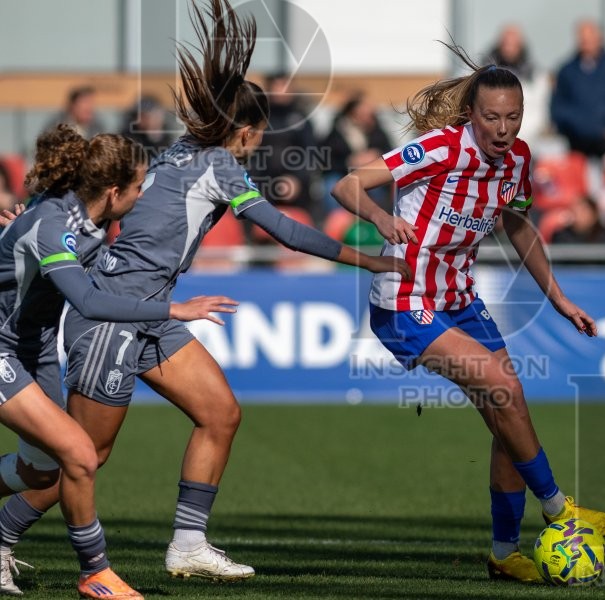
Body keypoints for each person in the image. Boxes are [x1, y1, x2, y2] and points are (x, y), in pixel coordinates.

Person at [0, 0, 409, 589]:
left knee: (220, 413)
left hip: (149, 313)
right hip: (113, 318)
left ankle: (188, 546)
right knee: (84, 457)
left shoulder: (181, 150)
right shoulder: (219, 163)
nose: (256, 144)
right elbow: (286, 231)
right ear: (245, 131)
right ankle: (7, 535)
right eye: (258, 134)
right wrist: (372, 260)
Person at [332, 44, 605, 585]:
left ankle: (505, 552)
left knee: (506, 418)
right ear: (471, 115)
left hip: (460, 299)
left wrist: (556, 296)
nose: (504, 128)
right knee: (502, 387)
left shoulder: (519, 159)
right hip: (406, 299)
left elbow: (518, 224)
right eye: (492, 117)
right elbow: (346, 184)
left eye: (513, 116)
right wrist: (378, 216)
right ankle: (561, 512)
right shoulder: (439, 148)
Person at [0, 124, 237, 599]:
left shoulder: (82, 214)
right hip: (3, 348)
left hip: (38, 351)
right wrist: (175, 309)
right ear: (113, 192)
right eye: (138, 186)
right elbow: (88, 300)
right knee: (82, 455)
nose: (143, 194)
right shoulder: (54, 227)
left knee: (42, 471)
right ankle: (94, 572)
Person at [550, 20, 605, 159]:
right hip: (575, 143)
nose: (585, 42)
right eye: (582, 38)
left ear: (600, 38)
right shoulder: (567, 71)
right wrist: (568, 128)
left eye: (589, 38)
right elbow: (558, 104)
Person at [248, 72, 321, 218]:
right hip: (262, 179)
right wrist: (261, 180)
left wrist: (297, 179)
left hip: (295, 182)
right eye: (278, 86)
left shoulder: (301, 119)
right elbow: (251, 153)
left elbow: (311, 152)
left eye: (286, 87)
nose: (282, 91)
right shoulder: (258, 118)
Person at [119, 96, 174, 160]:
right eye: (137, 116)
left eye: (144, 116)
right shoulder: (129, 136)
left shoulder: (166, 137)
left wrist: (154, 135)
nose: (139, 120)